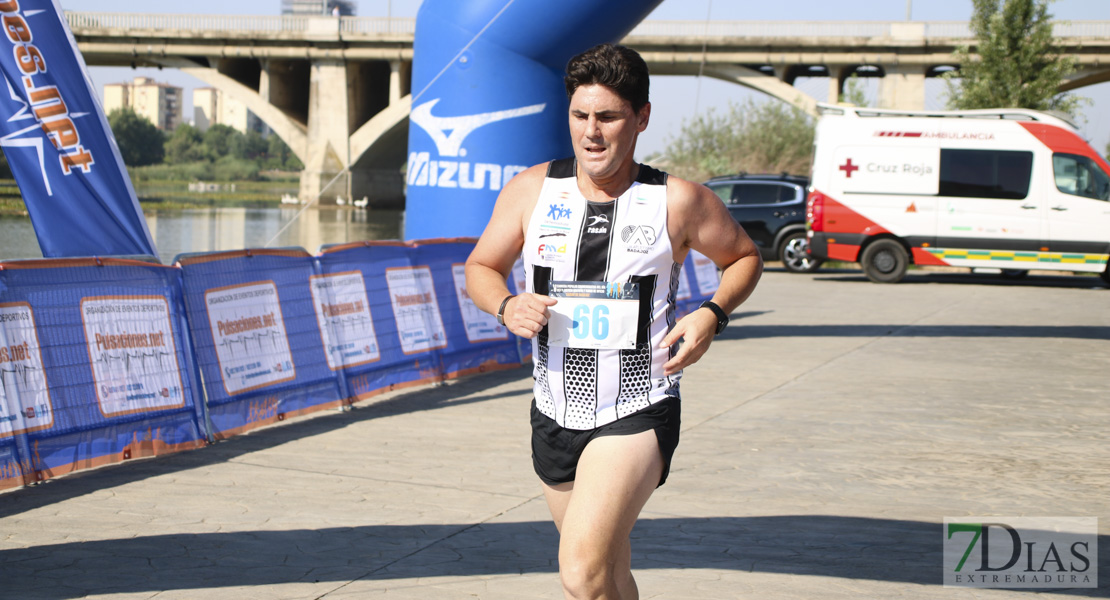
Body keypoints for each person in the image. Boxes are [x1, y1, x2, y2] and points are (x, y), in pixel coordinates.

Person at [465, 43, 762, 599]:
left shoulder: (678, 201)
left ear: (642, 117)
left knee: (579, 572)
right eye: (580, 116)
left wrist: (711, 313)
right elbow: (481, 267)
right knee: (607, 575)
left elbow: (744, 257)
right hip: (553, 410)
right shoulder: (531, 190)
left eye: (608, 117)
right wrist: (506, 305)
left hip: (637, 407)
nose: (591, 133)